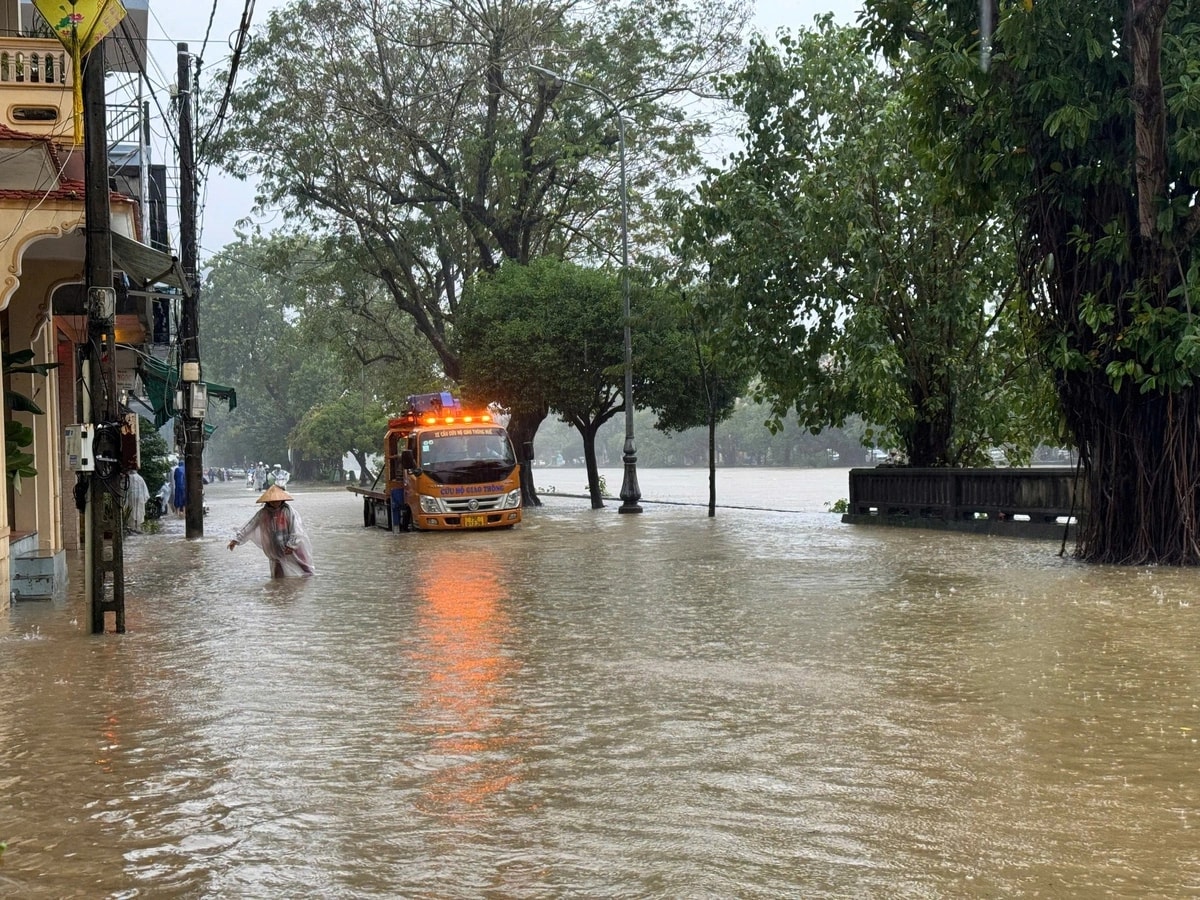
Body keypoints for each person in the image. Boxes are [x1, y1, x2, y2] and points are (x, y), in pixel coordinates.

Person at [227, 484, 315, 578]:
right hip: (275, 546)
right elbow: (250, 525)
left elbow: (296, 528)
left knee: (304, 567)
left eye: (277, 500)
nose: (275, 502)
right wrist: (236, 540)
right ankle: (278, 589)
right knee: (278, 573)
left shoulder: (288, 511)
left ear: (282, 499)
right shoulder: (263, 513)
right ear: (268, 501)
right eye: (272, 501)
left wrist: (292, 544)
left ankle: (309, 584)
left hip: (292, 545)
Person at [123, 467, 149, 533]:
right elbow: (145, 491)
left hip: (131, 497)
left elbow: (124, 488)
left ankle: (132, 527)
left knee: (132, 511)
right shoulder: (140, 478)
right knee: (138, 512)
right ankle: (137, 527)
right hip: (139, 497)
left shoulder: (127, 477)